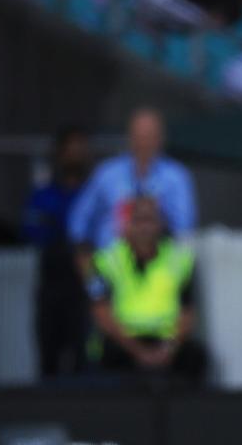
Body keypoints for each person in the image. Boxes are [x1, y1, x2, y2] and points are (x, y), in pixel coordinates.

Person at [87, 197, 204, 378]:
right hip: (123, 342)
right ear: (126, 225)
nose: (145, 227)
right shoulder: (105, 261)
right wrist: (139, 351)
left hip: (165, 342)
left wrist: (167, 350)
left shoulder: (180, 260)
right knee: (104, 357)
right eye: (138, 220)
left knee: (197, 357)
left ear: (160, 223)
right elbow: (102, 314)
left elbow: (187, 315)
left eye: (150, 220)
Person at [68, 108, 197, 261]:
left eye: (149, 137)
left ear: (161, 139)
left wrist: (150, 224)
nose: (143, 143)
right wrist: (83, 258)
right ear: (130, 138)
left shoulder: (177, 177)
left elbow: (185, 230)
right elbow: (77, 223)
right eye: (139, 137)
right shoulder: (107, 173)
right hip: (109, 266)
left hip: (157, 269)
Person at [24, 127, 93, 378]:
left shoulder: (95, 194)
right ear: (59, 155)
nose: (76, 156)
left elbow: (102, 234)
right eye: (70, 150)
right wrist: (70, 235)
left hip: (86, 286)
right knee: (48, 359)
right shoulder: (43, 195)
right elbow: (33, 232)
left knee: (85, 357)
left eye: (80, 151)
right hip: (52, 285)